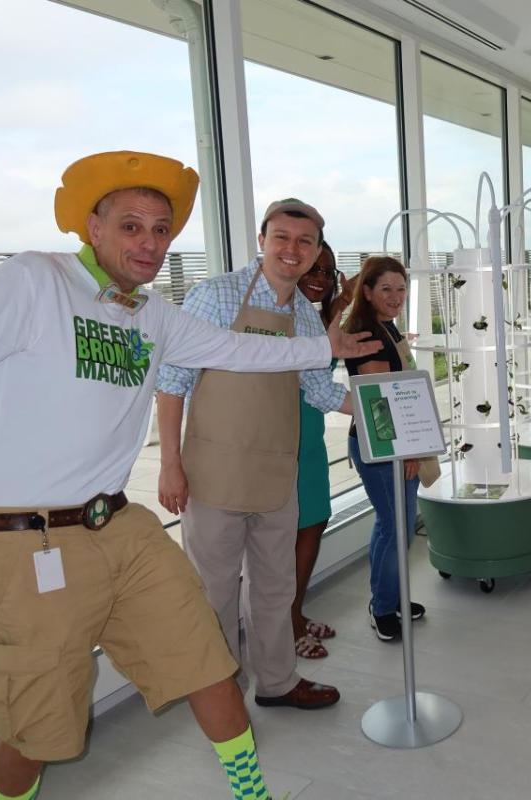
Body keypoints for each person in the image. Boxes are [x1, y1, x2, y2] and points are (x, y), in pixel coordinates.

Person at [0, 151, 381, 800]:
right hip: (27, 541)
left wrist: (325, 350)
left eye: (161, 229)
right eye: (131, 225)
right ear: (92, 227)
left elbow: (237, 351)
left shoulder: (152, 314)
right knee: (36, 733)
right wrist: (179, 465)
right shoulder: (36, 281)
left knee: (207, 660)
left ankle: (253, 794)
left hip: (120, 526)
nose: (150, 242)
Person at [155, 199, 349, 710]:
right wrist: (169, 465)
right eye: (282, 237)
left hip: (275, 476)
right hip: (212, 474)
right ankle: (221, 693)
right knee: (212, 593)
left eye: (305, 242)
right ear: (261, 240)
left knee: (274, 588)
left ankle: (278, 682)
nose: (293, 249)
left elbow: (320, 393)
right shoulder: (213, 297)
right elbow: (172, 382)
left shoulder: (306, 317)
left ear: (315, 252)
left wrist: (385, 412)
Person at [343, 256, 425, 642]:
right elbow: (380, 402)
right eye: (386, 289)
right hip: (384, 447)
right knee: (397, 528)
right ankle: (382, 608)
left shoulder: (385, 328)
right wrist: (406, 452)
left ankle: (388, 598)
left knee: (391, 525)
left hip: (394, 443)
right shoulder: (368, 335)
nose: (396, 296)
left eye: (401, 288)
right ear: (368, 292)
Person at [290, 241, 354, 659]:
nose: (318, 278)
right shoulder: (281, 319)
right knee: (280, 540)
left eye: (326, 272)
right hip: (277, 442)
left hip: (309, 441)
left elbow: (322, 360)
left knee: (313, 525)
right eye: (312, 269)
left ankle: (294, 613)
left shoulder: (314, 321)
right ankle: (285, 624)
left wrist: (341, 304)